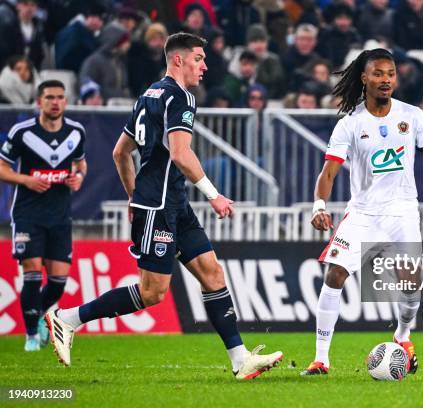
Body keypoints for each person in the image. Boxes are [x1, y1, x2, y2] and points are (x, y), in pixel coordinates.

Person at [44, 33, 283, 380]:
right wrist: (213, 194)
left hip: (171, 202)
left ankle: (240, 359)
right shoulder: (179, 96)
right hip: (158, 206)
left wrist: (132, 195)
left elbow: (120, 152)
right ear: (178, 60)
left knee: (212, 272)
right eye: (199, 58)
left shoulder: (149, 94)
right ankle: (69, 318)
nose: (204, 65)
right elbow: (181, 153)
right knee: (153, 292)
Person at [300, 48, 423, 376]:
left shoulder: (412, 115)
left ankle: (403, 335)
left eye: (390, 74)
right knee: (335, 275)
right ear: (364, 78)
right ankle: (321, 359)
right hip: (362, 213)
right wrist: (319, 206)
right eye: (378, 74)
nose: (386, 80)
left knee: (411, 284)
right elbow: (328, 172)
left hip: (402, 213)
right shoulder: (350, 123)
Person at [0, 80, 87, 352]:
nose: (55, 102)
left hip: (60, 215)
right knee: (33, 274)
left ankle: (39, 319)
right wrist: (25, 180)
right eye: (49, 97)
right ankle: (31, 337)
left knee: (59, 281)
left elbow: (81, 164)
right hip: (28, 214)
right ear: (39, 101)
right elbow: (2, 168)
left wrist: (79, 177)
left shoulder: (76, 132)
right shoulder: (22, 132)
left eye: (60, 97)